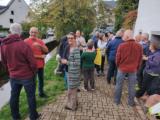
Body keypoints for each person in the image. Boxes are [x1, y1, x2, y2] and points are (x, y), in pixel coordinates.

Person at [0, 23, 39, 120]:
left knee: (14, 97)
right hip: (27, 76)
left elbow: (4, 62)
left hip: (13, 76)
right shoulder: (23, 44)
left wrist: (10, 71)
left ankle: (16, 117)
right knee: (30, 97)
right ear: (20, 32)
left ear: (10, 31)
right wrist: (34, 72)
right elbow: (33, 63)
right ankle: (33, 116)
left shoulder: (3, 45)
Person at [114, 29, 143, 106]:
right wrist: (137, 67)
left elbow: (117, 58)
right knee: (132, 86)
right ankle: (130, 103)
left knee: (119, 85)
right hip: (133, 69)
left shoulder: (122, 45)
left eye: (123, 36)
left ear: (127, 36)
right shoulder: (139, 46)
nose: (123, 37)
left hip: (122, 68)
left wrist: (118, 66)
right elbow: (140, 59)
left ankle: (117, 101)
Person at [24, 27, 49, 98]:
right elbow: (26, 55)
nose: (33, 34)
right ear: (29, 32)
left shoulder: (40, 41)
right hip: (31, 66)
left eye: (35, 32)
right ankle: (32, 96)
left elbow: (46, 50)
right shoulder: (25, 41)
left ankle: (41, 93)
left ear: (37, 33)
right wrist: (40, 56)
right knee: (33, 82)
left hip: (41, 65)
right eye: (32, 32)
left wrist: (40, 46)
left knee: (41, 80)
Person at [61, 32, 81, 111]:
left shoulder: (75, 50)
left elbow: (77, 63)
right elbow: (66, 58)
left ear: (75, 39)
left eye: (71, 38)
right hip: (68, 71)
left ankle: (72, 106)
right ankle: (75, 103)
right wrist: (61, 60)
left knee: (72, 90)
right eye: (68, 38)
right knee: (72, 89)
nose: (69, 39)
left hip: (73, 73)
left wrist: (67, 62)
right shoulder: (68, 47)